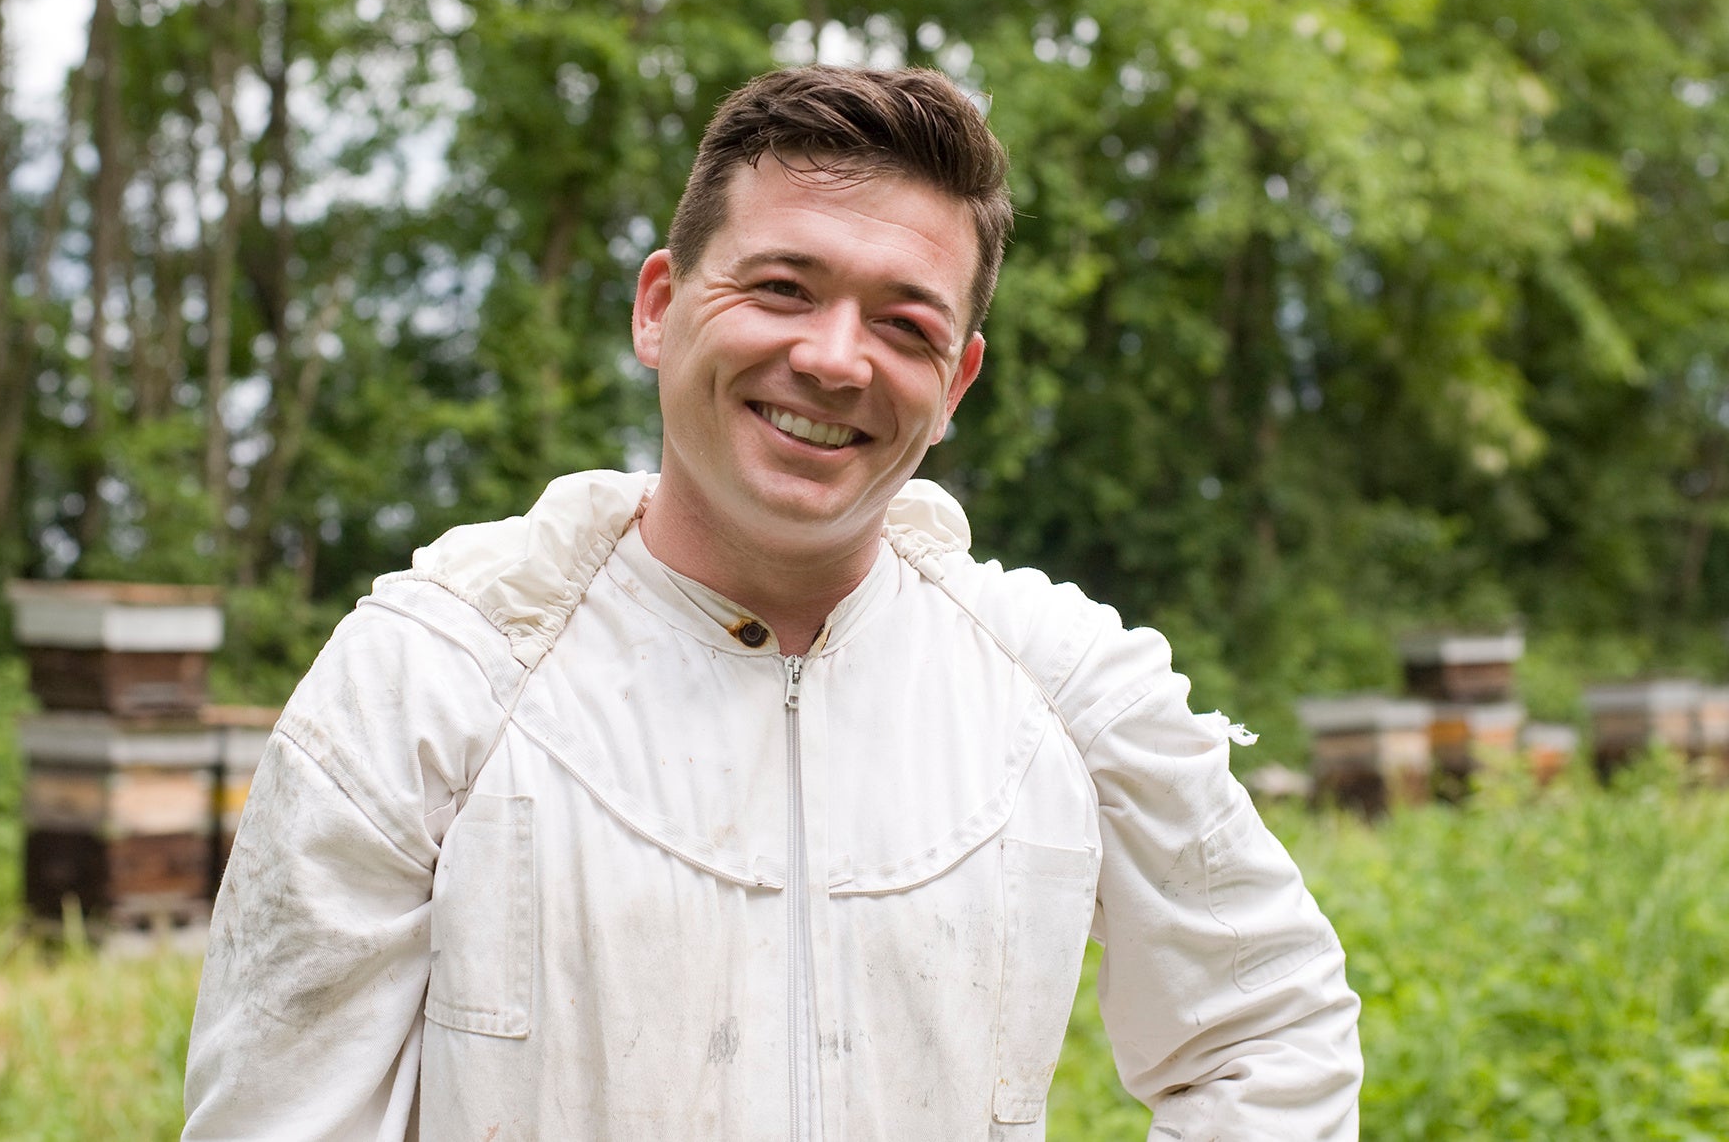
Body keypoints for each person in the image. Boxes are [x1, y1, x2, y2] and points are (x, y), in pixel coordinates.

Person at [183, 66, 1362, 1140]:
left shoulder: (1062, 688)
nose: (835, 359)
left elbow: (1271, 1030)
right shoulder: (429, 678)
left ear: (953, 384)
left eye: (904, 325)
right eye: (782, 286)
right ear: (659, 305)